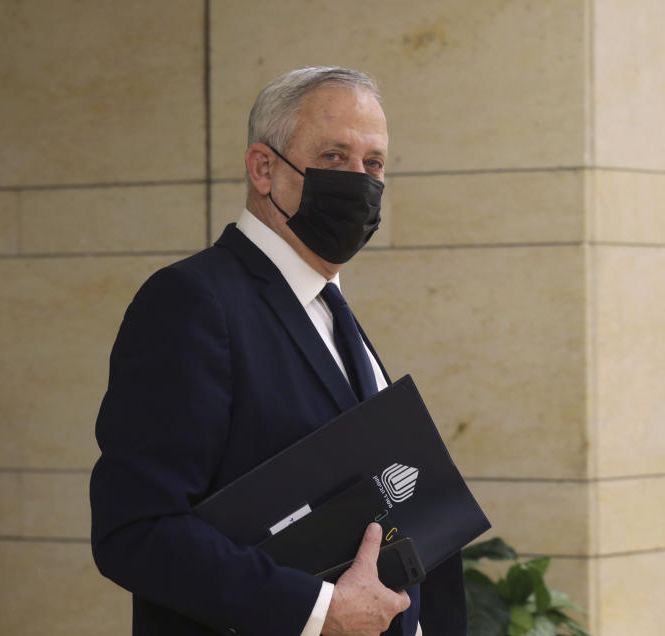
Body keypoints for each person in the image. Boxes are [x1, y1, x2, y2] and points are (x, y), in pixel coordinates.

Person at [89, 67, 466, 636]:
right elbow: (136, 530)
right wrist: (319, 613)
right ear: (264, 169)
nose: (359, 180)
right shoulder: (193, 302)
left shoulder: (332, 312)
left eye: (373, 163)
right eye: (335, 157)